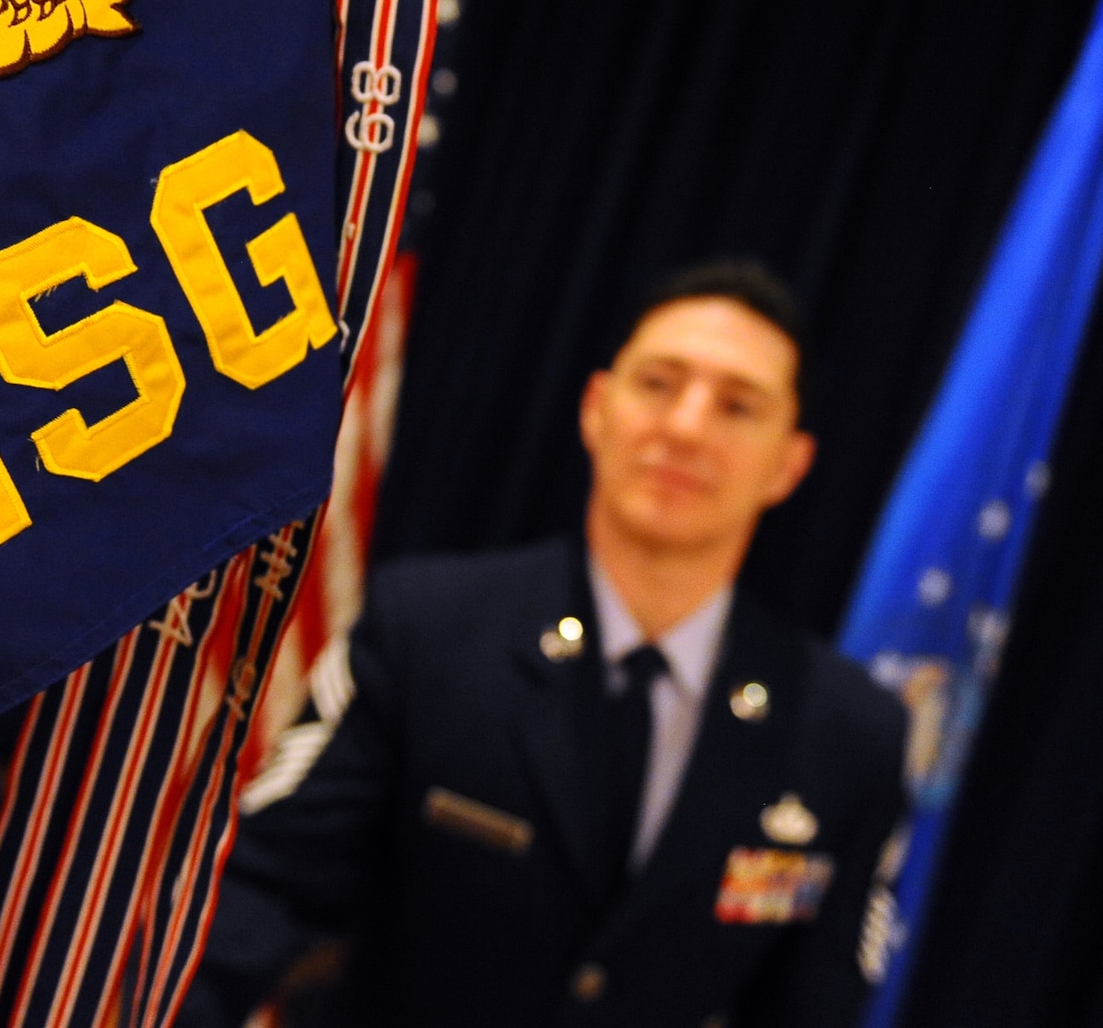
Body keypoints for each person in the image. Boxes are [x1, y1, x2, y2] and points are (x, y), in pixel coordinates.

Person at [178, 261, 909, 1028]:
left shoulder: (847, 735)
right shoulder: (430, 631)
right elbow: (256, 894)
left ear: (789, 463)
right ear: (597, 409)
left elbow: (819, 1004)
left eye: (738, 405)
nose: (686, 426)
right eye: (659, 383)